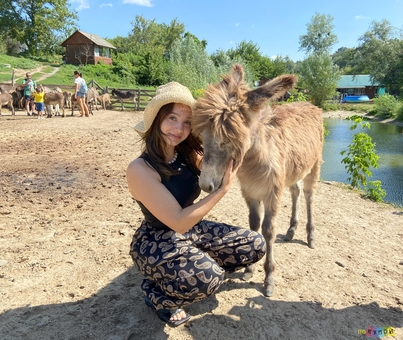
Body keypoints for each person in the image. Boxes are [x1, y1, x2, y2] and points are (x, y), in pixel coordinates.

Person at [126, 82, 266, 327]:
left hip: (191, 231)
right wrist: (222, 191)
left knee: (255, 245)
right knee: (210, 279)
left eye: (187, 121)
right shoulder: (140, 169)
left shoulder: (188, 152)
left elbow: (222, 157)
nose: (179, 129)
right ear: (157, 119)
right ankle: (157, 293)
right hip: (156, 238)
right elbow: (179, 221)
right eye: (172, 118)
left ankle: (185, 266)